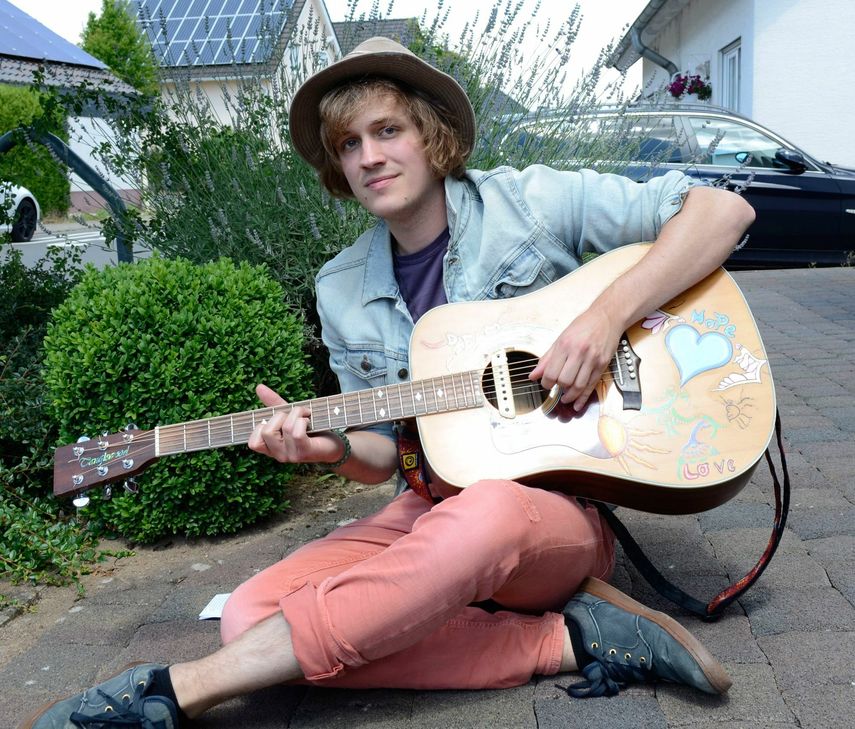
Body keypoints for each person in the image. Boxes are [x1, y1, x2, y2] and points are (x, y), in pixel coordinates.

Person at [21, 37, 754, 728]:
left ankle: (184, 689)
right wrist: (328, 451)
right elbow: (380, 455)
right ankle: (570, 641)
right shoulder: (340, 288)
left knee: (486, 513)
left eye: (387, 131)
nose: (369, 156)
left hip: (552, 514)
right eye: (348, 144)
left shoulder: (528, 203)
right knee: (251, 618)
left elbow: (722, 211)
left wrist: (600, 322)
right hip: (430, 509)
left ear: (430, 135)